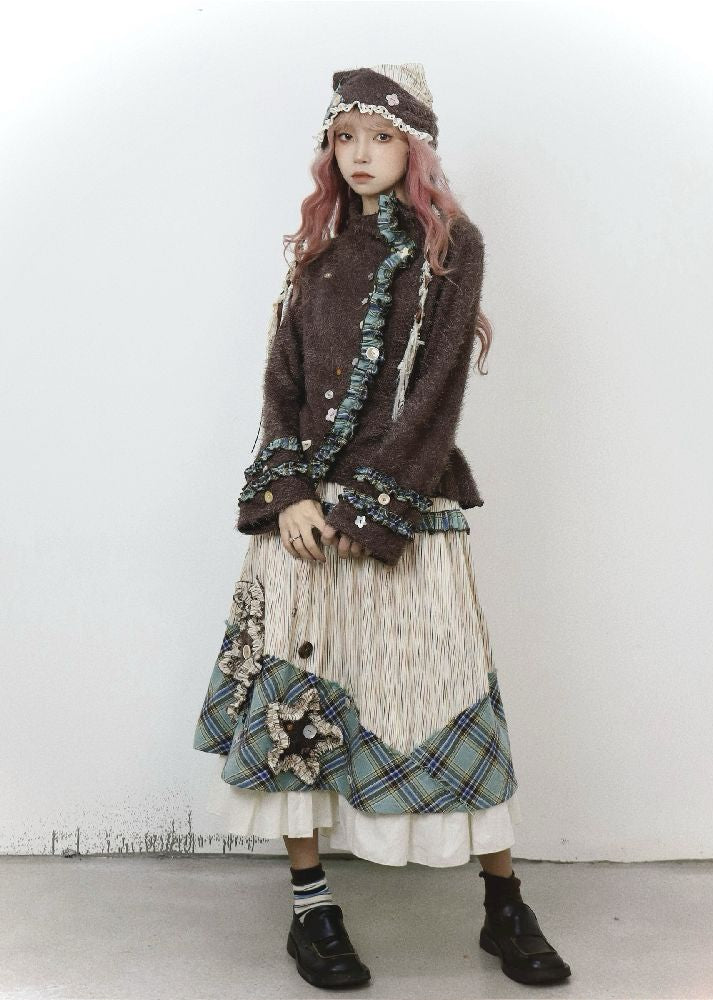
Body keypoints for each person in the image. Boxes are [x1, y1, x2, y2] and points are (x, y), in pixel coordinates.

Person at [193, 63, 571, 989]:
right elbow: (280, 387)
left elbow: (436, 391)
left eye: (381, 136)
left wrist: (368, 506)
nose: (360, 154)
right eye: (345, 137)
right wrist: (292, 495)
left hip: (402, 511)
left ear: (416, 147)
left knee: (446, 694)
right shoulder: (315, 256)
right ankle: (311, 909)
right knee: (300, 714)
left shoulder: (452, 246)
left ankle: (504, 904)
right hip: (303, 529)